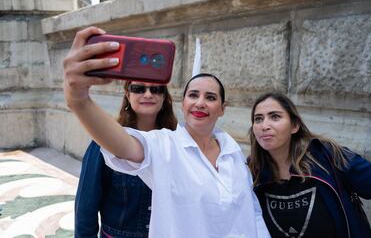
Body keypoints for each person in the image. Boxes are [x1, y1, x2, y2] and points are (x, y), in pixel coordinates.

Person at [63, 26, 270, 238]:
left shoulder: (231, 151)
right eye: (193, 95)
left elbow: (247, 210)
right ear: (183, 104)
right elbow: (124, 150)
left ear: (222, 108)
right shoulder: (163, 145)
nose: (200, 103)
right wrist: (78, 99)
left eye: (210, 97)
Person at [247, 91, 371, 238]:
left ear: (295, 126)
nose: (264, 126)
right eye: (258, 119)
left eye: (275, 117)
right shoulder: (251, 172)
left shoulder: (329, 157)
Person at [75, 80, 177, 238]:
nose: (148, 94)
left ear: (164, 97)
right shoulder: (105, 142)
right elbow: (86, 205)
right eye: (139, 89)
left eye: (156, 89)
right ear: (128, 95)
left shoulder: (175, 143)